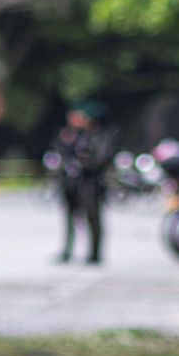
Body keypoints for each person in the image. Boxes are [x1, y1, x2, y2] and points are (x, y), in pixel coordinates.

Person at [50, 103, 112, 264]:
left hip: (90, 184)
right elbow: (60, 155)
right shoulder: (68, 135)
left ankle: (94, 253)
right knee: (69, 219)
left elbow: (100, 159)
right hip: (71, 184)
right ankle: (67, 251)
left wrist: (83, 163)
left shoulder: (98, 136)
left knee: (93, 218)